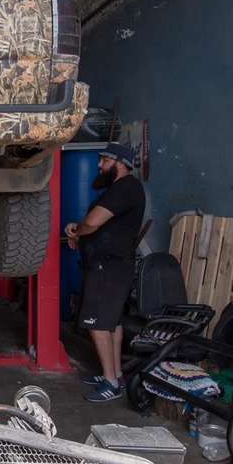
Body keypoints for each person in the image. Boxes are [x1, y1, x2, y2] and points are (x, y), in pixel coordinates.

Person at [64, 142, 146, 403]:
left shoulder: (124, 188)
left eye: (104, 160)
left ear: (119, 163)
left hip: (107, 266)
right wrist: (80, 229)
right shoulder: (124, 188)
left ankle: (111, 383)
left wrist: (77, 230)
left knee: (98, 323)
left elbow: (93, 222)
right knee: (113, 323)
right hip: (114, 265)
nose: (99, 165)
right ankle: (115, 374)